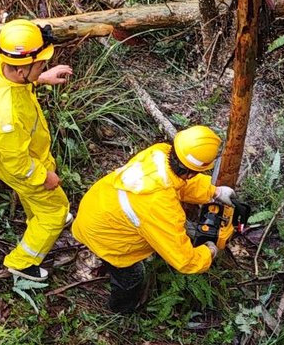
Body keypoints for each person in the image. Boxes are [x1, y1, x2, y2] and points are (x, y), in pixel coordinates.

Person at [72, 126, 236, 313]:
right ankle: (120, 310)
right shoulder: (160, 205)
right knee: (132, 276)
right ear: (192, 172)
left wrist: (213, 191)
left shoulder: (160, 153)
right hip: (106, 236)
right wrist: (209, 252)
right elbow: (184, 260)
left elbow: (179, 183)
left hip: (97, 207)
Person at [0, 19, 73, 281]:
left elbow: (16, 74)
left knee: (37, 200)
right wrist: (43, 175)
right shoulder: (9, 114)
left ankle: (37, 219)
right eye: (40, 65)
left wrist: (39, 78)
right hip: (21, 164)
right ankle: (23, 262)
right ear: (20, 72)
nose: (44, 67)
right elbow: (18, 163)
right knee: (56, 210)